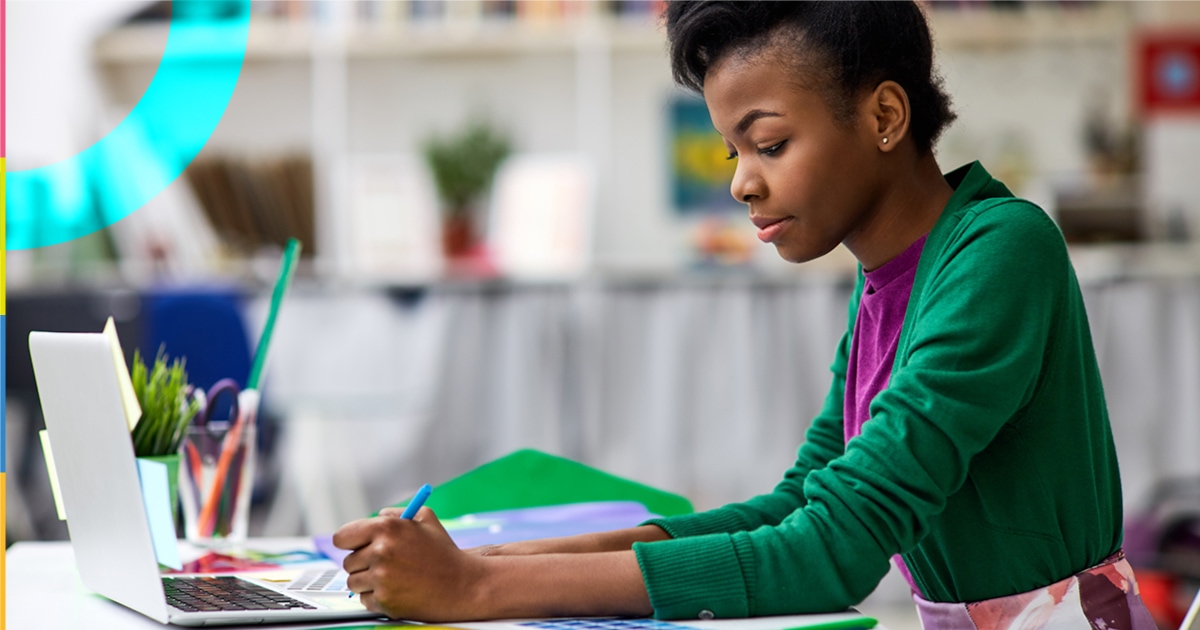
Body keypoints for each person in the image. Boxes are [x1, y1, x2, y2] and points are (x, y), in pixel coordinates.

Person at [333, 2, 1154, 627]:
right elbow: (799, 505)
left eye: (768, 144)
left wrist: (477, 588)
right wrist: (506, 560)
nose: (741, 184)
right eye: (733, 151)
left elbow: (830, 553)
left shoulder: (1001, 251)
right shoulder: (884, 288)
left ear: (884, 118)